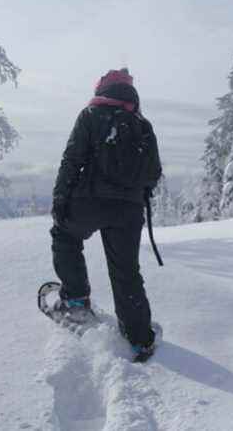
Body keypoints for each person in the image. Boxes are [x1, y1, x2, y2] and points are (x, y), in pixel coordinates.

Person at [50, 68, 162, 357]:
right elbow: (154, 172)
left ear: (102, 89)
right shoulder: (143, 125)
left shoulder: (90, 115)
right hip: (129, 210)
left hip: (90, 202)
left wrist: (61, 199)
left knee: (64, 235)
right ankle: (139, 337)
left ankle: (75, 301)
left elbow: (71, 160)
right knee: (126, 270)